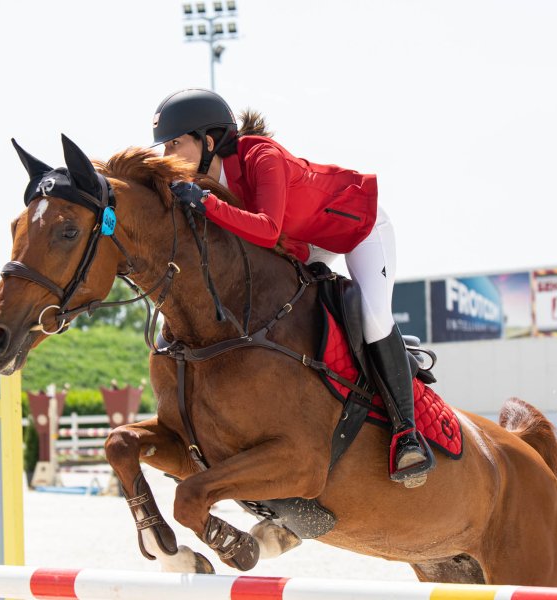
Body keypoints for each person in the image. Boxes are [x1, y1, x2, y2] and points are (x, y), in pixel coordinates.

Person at [153, 88, 434, 487]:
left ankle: (407, 433)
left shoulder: (260, 156)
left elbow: (266, 230)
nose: (168, 157)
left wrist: (204, 203)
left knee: (372, 319)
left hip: (359, 229)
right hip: (306, 241)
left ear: (208, 142)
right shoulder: (211, 183)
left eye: (174, 144)